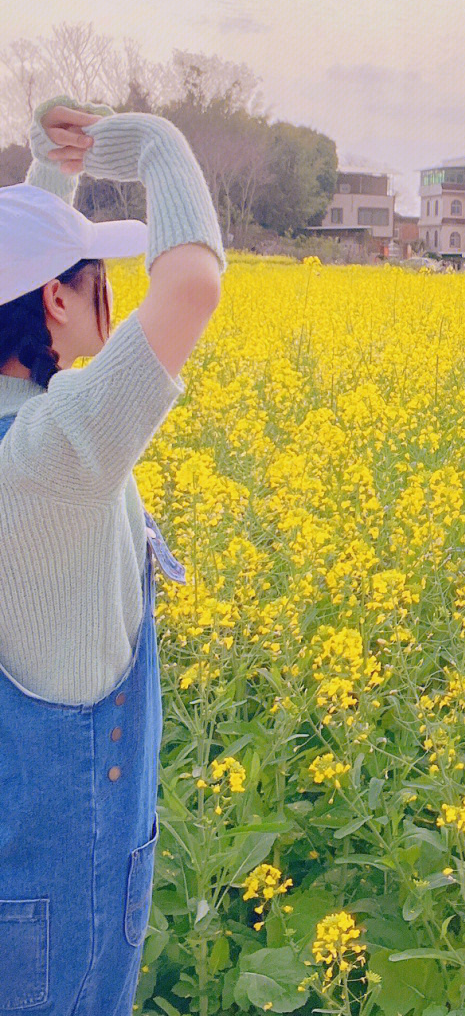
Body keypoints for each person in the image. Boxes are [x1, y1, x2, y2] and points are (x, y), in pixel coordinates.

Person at [0, 96, 225, 1011]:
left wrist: (53, 176)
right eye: (97, 275)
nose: (114, 295)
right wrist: (165, 150)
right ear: (57, 297)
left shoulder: (28, 441)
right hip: (67, 885)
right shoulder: (58, 456)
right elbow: (192, 289)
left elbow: (17, 277)